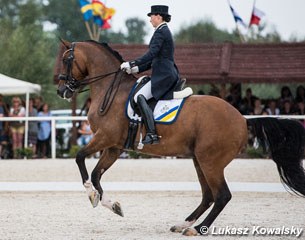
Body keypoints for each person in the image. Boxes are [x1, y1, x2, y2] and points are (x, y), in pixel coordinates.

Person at [120, 5, 190, 145]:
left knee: (139, 97)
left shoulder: (161, 32)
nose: (150, 19)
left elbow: (151, 54)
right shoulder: (162, 31)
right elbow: (154, 59)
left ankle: (152, 134)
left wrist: (132, 63)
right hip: (165, 73)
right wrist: (136, 69)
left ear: (159, 16)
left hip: (164, 76)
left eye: (151, 16)